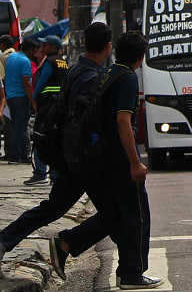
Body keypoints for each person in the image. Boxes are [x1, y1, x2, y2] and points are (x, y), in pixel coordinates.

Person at [0, 25, 123, 268]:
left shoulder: (76, 69)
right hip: (84, 159)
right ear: (108, 47)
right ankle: (70, 244)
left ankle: (7, 239)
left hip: (71, 155)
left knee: (54, 208)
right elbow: (86, 122)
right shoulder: (90, 76)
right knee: (115, 213)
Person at [48, 29, 159, 290]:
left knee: (116, 215)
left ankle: (69, 244)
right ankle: (131, 275)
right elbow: (123, 122)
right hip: (119, 159)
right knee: (135, 216)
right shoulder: (127, 78)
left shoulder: (108, 73)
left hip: (101, 158)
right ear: (140, 57)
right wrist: (135, 162)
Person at [26, 37, 68, 185]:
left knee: (40, 136)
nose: (43, 46)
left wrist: (34, 99)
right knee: (56, 140)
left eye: (46, 44)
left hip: (47, 105)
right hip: (60, 106)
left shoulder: (49, 62)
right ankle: (55, 175)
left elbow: (41, 82)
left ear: (53, 47)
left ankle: (40, 172)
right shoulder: (63, 62)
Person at [4, 38, 36, 163]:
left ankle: (17, 154)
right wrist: (33, 101)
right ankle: (18, 155)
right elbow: (26, 83)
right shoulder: (25, 61)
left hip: (11, 96)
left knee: (16, 126)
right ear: (30, 50)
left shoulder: (11, 57)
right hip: (21, 97)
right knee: (21, 127)